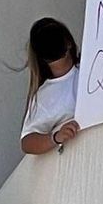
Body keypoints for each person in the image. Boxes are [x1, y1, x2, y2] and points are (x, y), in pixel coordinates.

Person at [19, 17, 81, 155]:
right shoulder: (43, 95)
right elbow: (27, 141)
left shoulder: (91, 67)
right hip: (79, 155)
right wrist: (55, 137)